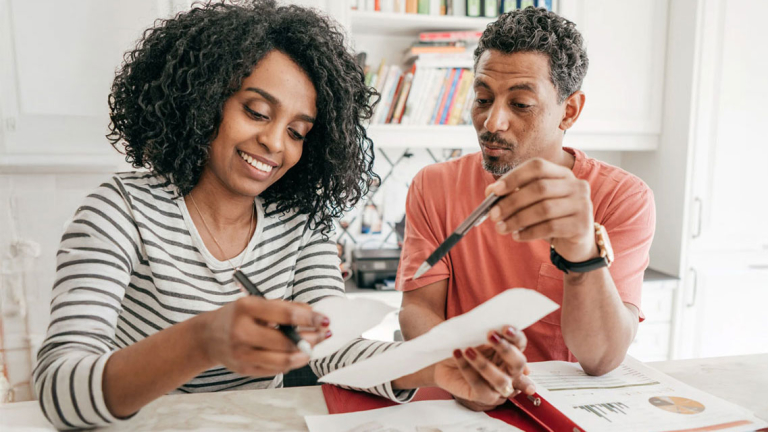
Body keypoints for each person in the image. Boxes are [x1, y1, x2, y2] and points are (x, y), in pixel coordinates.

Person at [33, 1, 534, 429]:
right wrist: (202, 341)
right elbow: (58, 388)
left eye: (297, 132)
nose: (275, 143)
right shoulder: (119, 211)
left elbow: (337, 352)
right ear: (204, 100)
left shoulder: (300, 223)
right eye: (256, 112)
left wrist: (437, 365)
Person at [396, 6, 656, 411]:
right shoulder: (434, 185)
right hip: (460, 406)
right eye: (483, 98)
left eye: (520, 104)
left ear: (569, 111)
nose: (492, 122)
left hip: (562, 410)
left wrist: (582, 250)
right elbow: (418, 307)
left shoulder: (622, 197)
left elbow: (601, 357)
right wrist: (463, 367)